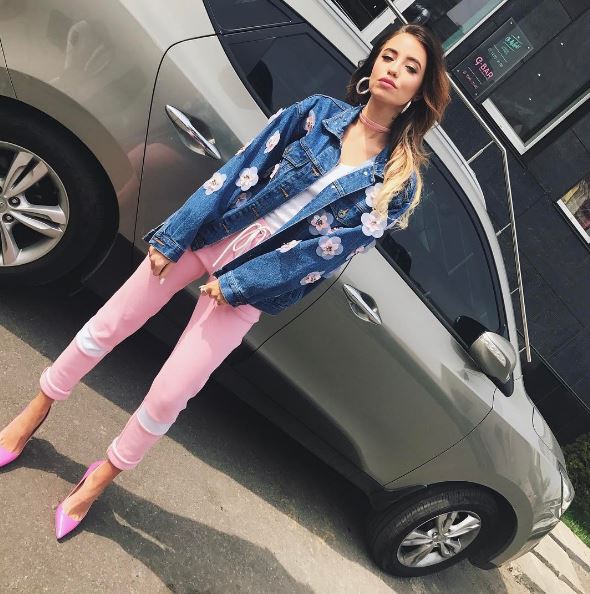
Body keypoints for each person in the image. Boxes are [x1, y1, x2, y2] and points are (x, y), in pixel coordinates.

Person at [0, 23, 450, 539]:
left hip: (258, 281)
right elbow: (240, 168)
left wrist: (241, 283)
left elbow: (326, 254)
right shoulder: (316, 114)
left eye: (410, 67)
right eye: (389, 56)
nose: (394, 70)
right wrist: (177, 235)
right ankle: (35, 410)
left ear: (419, 91)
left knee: (171, 393)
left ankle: (100, 477)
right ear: (372, 64)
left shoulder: (396, 180)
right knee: (109, 324)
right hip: (213, 232)